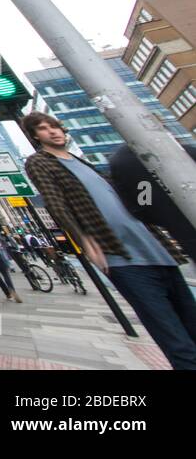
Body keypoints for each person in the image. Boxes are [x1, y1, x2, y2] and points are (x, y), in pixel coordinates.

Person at [22, 111, 196, 370]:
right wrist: (82, 239)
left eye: (55, 126)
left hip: (157, 250)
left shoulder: (83, 163)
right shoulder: (39, 162)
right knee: (173, 338)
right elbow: (55, 203)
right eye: (44, 129)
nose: (53, 132)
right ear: (35, 135)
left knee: (192, 323)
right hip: (121, 256)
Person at [109, 142, 196, 261]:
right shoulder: (176, 148)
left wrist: (168, 218)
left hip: (184, 231)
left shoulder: (122, 161)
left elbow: (141, 208)